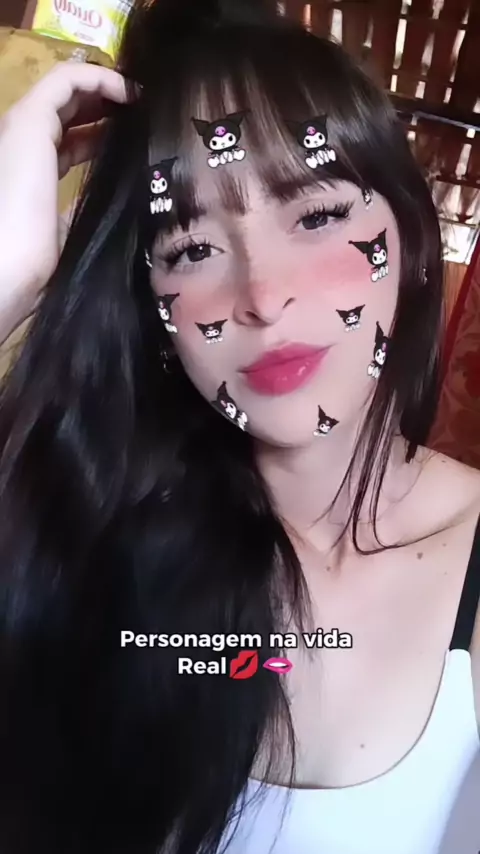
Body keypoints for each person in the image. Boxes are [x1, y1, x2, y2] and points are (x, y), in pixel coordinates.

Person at [0, 1, 479, 853]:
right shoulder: (77, 526)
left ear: (409, 241)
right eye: (191, 249)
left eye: (317, 215)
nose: (262, 296)